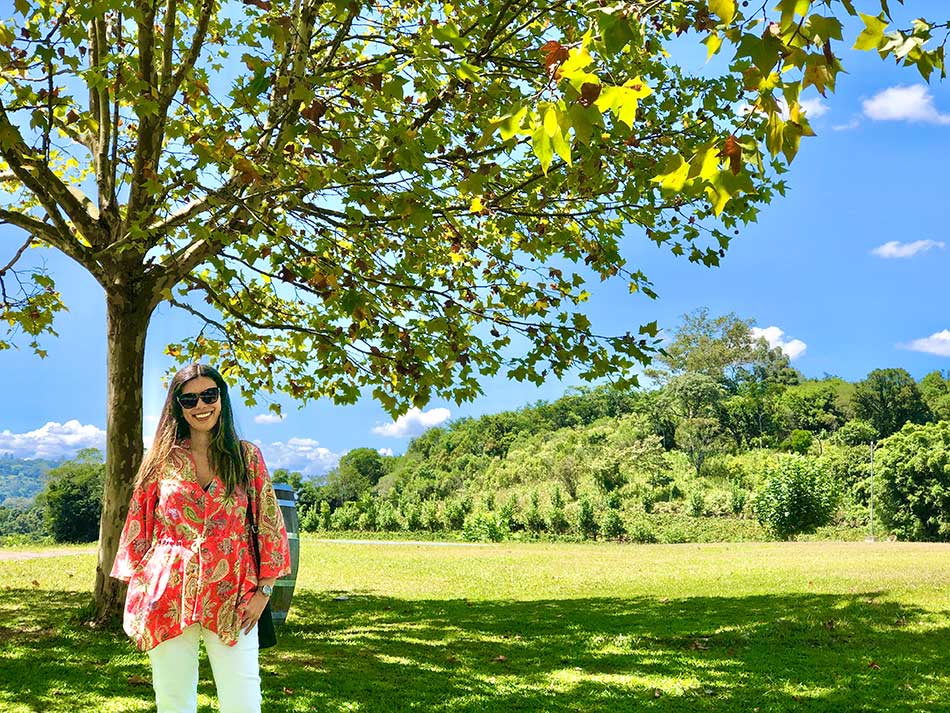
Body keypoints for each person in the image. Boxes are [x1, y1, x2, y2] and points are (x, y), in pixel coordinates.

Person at [111, 362, 292, 713]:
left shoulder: (246, 457)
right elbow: (137, 526)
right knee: (174, 700)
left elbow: (270, 523)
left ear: (221, 398)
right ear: (177, 406)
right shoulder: (161, 461)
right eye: (189, 399)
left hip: (234, 593)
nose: (200, 406)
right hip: (167, 593)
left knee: (243, 700)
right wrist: (137, 595)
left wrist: (264, 591)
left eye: (209, 395)